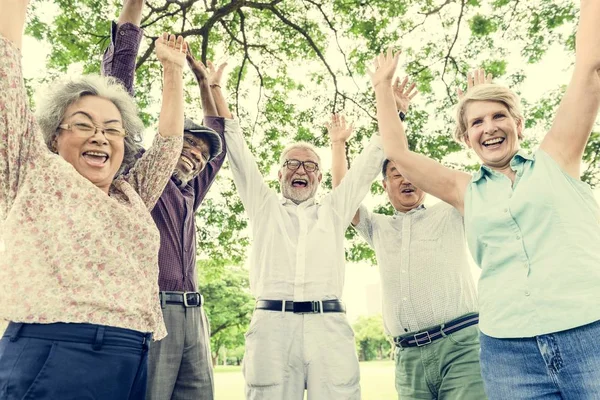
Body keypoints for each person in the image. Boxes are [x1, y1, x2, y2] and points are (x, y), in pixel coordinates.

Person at [368, 0, 600, 396]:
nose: (489, 128)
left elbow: (590, 70)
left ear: (518, 124)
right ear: (466, 136)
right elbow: (399, 152)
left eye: (498, 116)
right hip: (507, 351)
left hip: (587, 332)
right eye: (476, 122)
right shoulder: (463, 190)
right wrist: (381, 89)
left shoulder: (556, 158)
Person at [0, 0, 187, 397]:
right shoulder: (34, 171)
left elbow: (169, 146)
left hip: (132, 355)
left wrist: (172, 70)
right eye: (83, 125)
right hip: (57, 352)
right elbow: (6, 74)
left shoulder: (129, 196)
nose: (100, 136)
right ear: (54, 137)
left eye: (112, 129)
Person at [101, 1, 231, 399]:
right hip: (151, 308)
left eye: (201, 153)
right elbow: (118, 85)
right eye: (189, 143)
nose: (197, 153)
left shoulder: (190, 191)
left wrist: (209, 85)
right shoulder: (137, 176)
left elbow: (220, 143)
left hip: (195, 314)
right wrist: (133, 15)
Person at [329, 76, 485, 400]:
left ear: (425, 180)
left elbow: (484, 179)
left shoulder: (451, 210)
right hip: (407, 358)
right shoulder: (378, 228)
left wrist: (476, 105)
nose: (404, 179)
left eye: (410, 173)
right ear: (384, 187)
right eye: (394, 175)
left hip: (461, 347)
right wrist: (338, 145)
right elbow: (343, 197)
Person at [223, 105, 384, 398]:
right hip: (272, 328)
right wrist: (215, 90)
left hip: (329, 329)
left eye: (310, 166)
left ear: (320, 178)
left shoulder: (334, 210)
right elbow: (239, 154)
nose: (301, 170)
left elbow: (367, 167)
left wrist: (393, 111)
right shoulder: (264, 206)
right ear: (280, 173)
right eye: (293, 163)